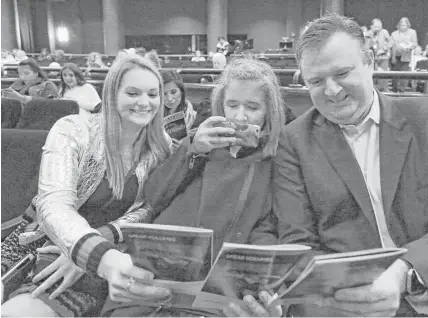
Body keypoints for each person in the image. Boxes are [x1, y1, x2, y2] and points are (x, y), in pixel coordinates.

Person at [236, 13, 428, 317]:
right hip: (349, 304)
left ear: (370, 61)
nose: (332, 90)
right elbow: (298, 243)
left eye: (343, 73)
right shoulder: (293, 142)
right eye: (316, 81)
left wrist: (405, 274)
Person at [102, 58, 285, 317]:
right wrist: (192, 149)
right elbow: (154, 196)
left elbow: (267, 228)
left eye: (252, 107)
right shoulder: (200, 142)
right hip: (157, 275)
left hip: (215, 290)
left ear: (269, 113)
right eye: (232, 105)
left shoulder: (274, 160)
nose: (239, 116)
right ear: (220, 105)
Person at [1, 55, 173, 317]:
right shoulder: (73, 129)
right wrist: (87, 250)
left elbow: (150, 209)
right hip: (39, 241)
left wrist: (93, 250)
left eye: (153, 94)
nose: (144, 102)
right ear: (112, 93)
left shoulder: (162, 146)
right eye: (133, 93)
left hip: (101, 256)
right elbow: (53, 205)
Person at [161, 70, 209, 142]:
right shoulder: (152, 115)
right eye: (164, 94)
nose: (169, 99)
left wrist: (184, 147)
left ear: (181, 91)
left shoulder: (196, 117)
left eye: (173, 92)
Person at [391, 17, 417, 92]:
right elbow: (393, 46)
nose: (403, 27)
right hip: (396, 56)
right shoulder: (394, 34)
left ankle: (402, 90)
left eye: (404, 25)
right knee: (394, 75)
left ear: (408, 25)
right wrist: (393, 57)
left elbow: (415, 44)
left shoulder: (412, 32)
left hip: (406, 56)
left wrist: (410, 47)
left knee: (404, 74)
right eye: (401, 25)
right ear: (398, 25)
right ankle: (394, 90)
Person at [369, 18, 392, 92]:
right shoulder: (368, 33)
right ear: (371, 27)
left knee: (383, 75)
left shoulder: (384, 32)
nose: (378, 29)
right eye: (376, 27)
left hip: (383, 57)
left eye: (379, 27)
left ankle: (384, 90)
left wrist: (385, 49)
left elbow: (391, 42)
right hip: (372, 59)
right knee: (373, 76)